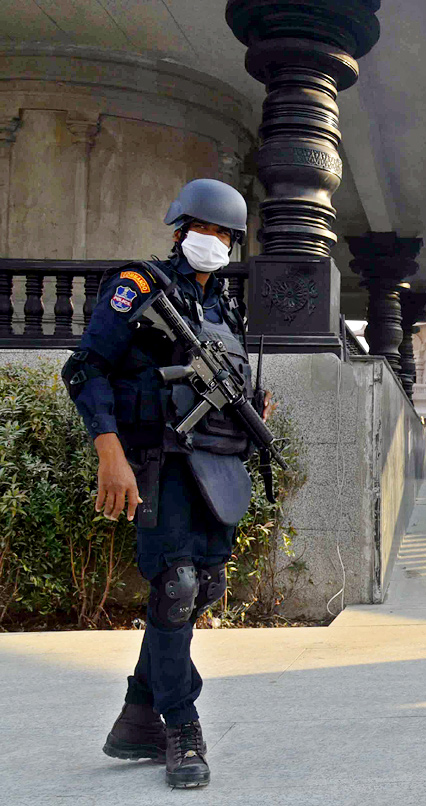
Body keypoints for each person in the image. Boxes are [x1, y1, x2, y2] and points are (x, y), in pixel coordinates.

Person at [61, 178, 276, 788]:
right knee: (176, 586)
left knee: (199, 588)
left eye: (224, 234)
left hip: (216, 464)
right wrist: (110, 449)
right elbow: (86, 368)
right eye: (202, 229)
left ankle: (136, 716)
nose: (212, 242)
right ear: (180, 230)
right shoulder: (141, 287)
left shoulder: (223, 310)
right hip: (160, 459)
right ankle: (181, 726)